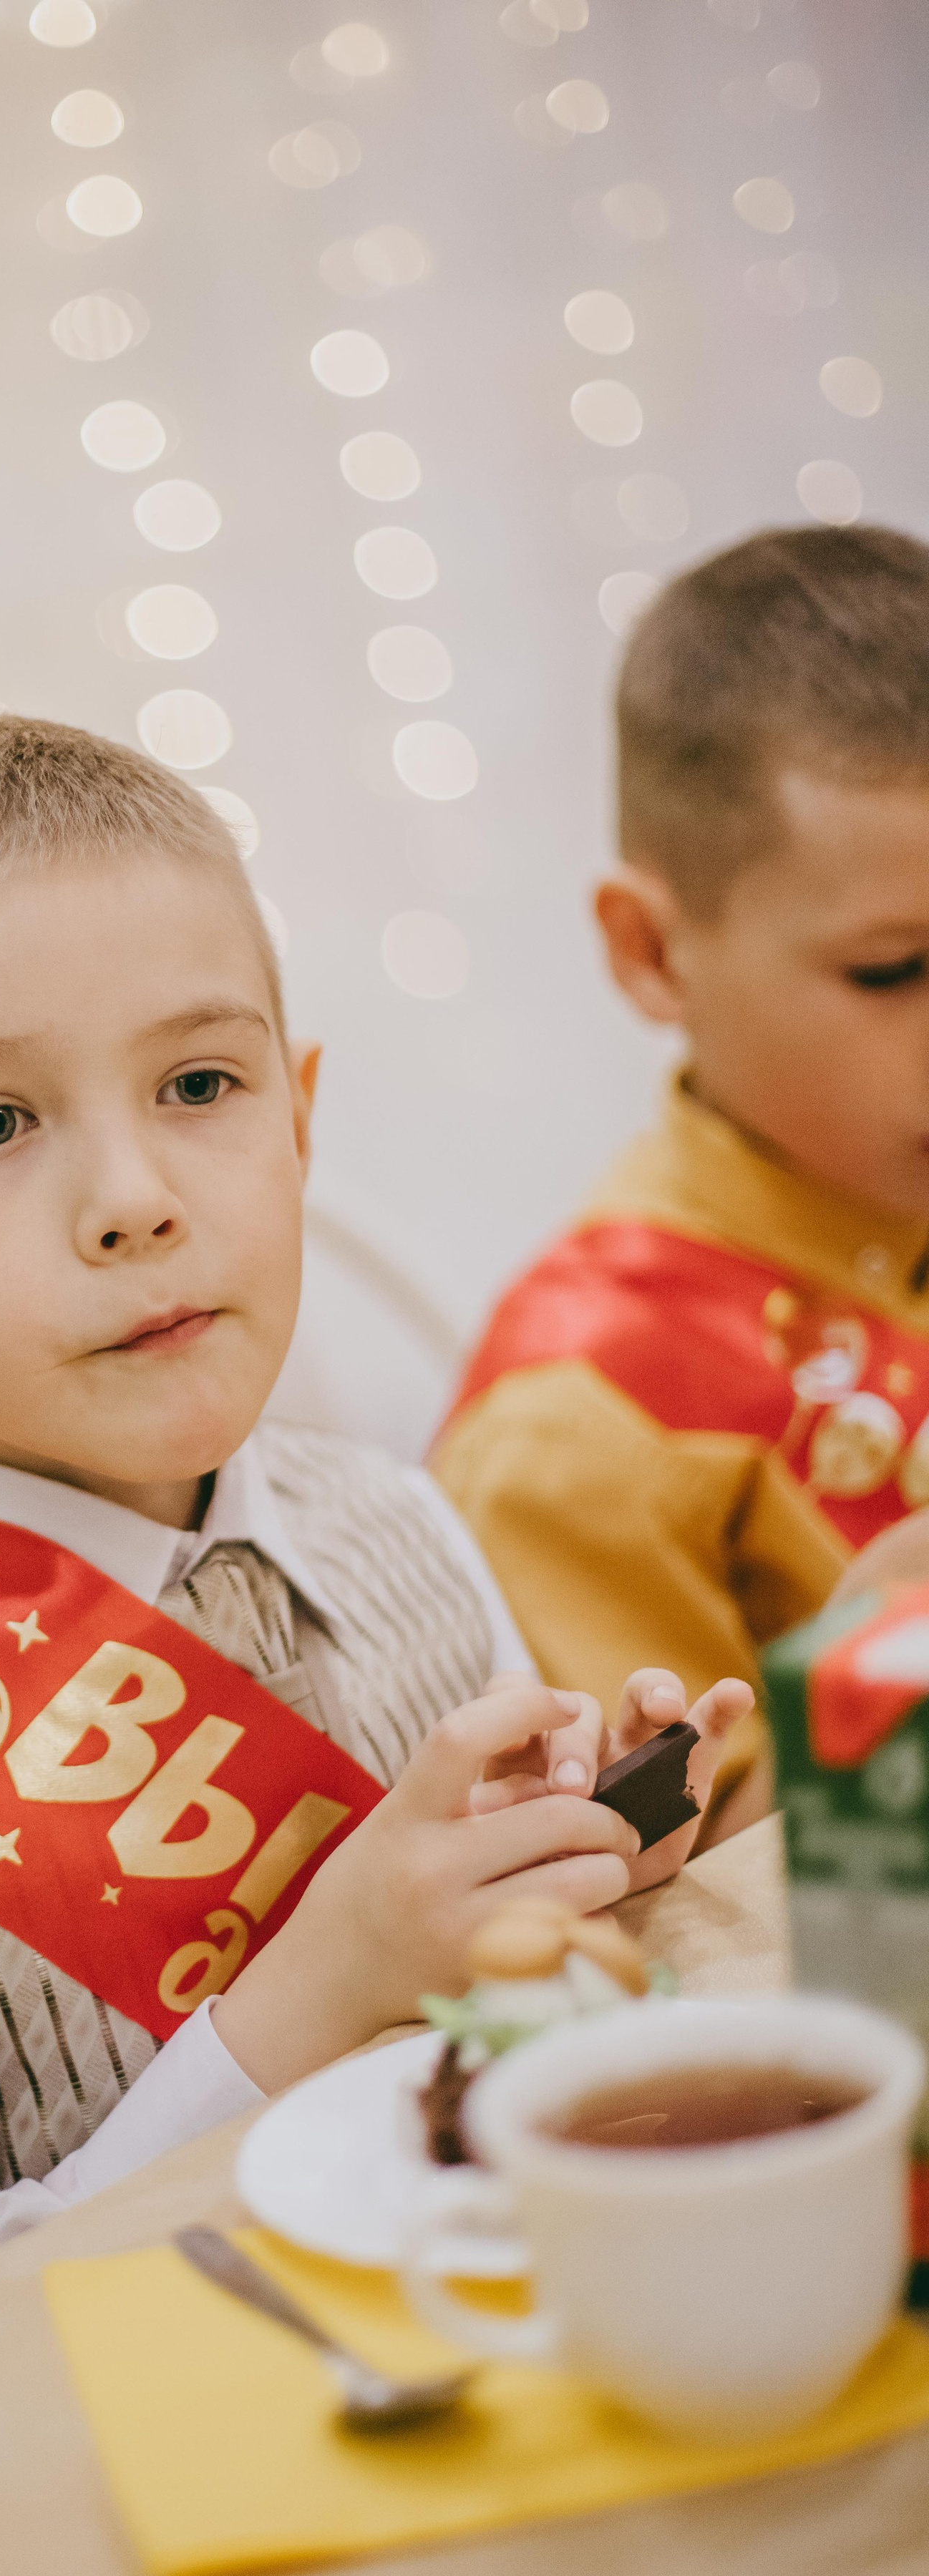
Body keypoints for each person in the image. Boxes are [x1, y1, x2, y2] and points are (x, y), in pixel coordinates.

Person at [0, 716, 747, 2356]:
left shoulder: (400, 1523)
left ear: (297, 1115)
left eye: (199, 1084)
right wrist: (308, 1993)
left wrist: (570, 1859)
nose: (131, 1198)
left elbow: (502, 2039)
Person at [433, 525, 929, 1820]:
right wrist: (872, 1687)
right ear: (652, 950)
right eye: (892, 972)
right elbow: (654, 1910)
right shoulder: (576, 1426)